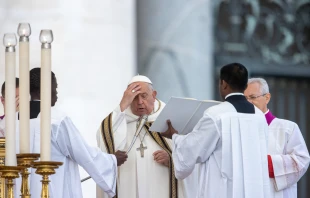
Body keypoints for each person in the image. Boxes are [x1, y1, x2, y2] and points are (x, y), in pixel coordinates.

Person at [161, 63, 271, 198]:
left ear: (223, 84)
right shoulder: (259, 116)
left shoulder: (216, 114)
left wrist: (174, 136)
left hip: (223, 190)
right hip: (253, 190)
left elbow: (194, 148)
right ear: (244, 85)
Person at [15, 68, 128, 198]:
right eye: (55, 88)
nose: (56, 94)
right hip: (53, 190)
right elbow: (83, 153)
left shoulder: (12, 120)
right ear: (43, 90)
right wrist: (112, 160)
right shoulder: (56, 119)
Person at [96, 75, 193, 198]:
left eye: (144, 96)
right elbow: (104, 144)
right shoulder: (118, 121)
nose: (140, 102)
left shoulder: (169, 120)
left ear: (154, 94)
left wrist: (171, 160)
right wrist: (122, 105)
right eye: (134, 97)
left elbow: (190, 156)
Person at [244, 77, 310, 198]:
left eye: (252, 97)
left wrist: (265, 163)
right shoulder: (237, 128)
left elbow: (301, 160)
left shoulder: (287, 128)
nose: (248, 102)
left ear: (267, 97)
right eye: (245, 98)